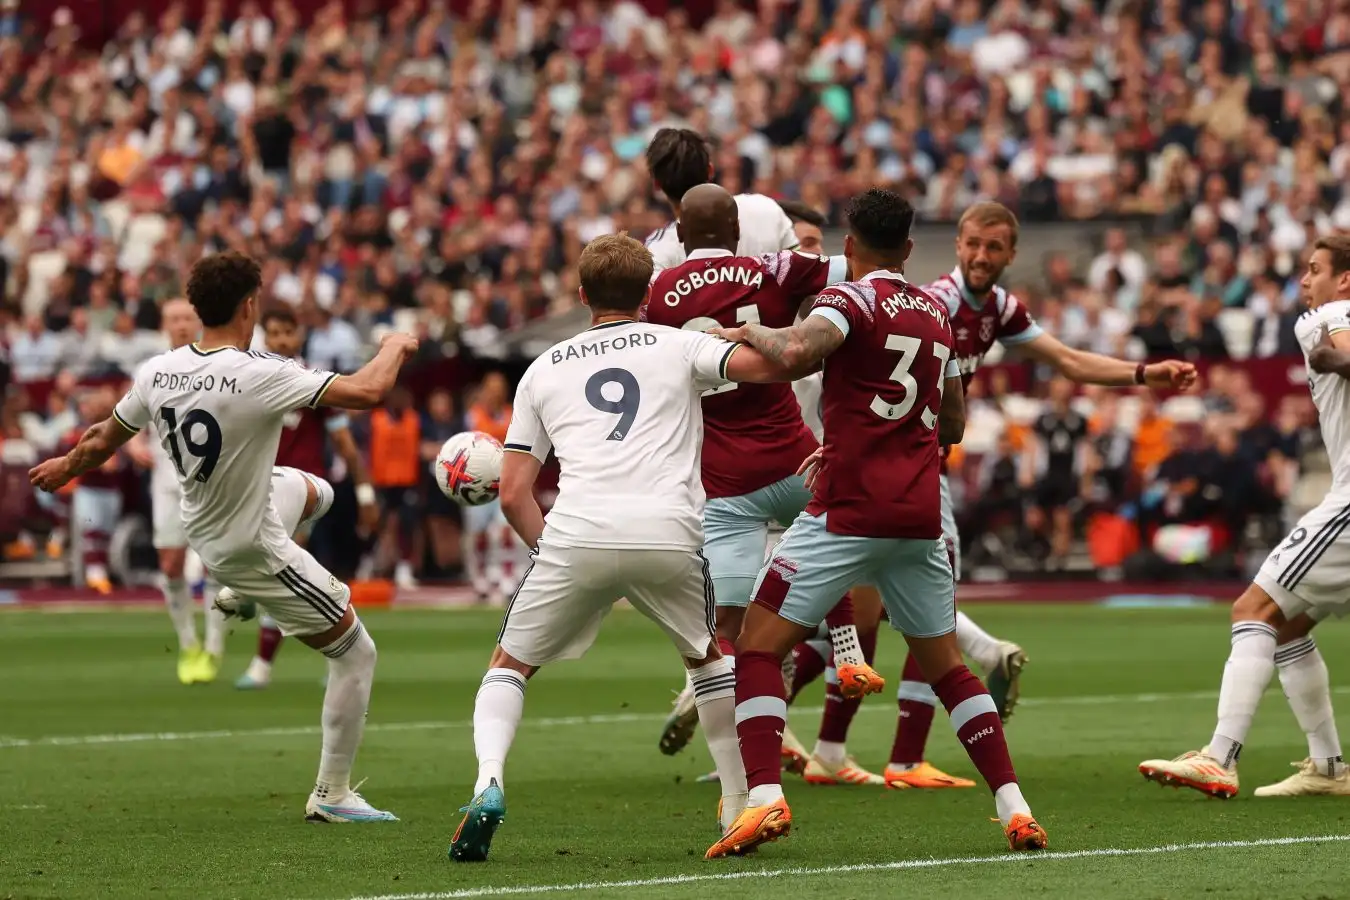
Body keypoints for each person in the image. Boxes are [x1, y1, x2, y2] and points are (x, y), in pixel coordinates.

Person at [801, 201, 1196, 792]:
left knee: (866, 612)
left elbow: (1065, 360)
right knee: (908, 610)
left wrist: (1143, 375)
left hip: (902, 473)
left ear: (1012, 254)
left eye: (994, 248)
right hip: (905, 478)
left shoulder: (998, 309)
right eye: (973, 245)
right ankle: (896, 756)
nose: (982, 256)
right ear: (957, 245)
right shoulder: (936, 302)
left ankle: (829, 746)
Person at [703, 188, 1046, 858]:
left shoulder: (847, 298)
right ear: (912, 250)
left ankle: (765, 799)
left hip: (848, 509)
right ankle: (1016, 808)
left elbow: (799, 352)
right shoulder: (936, 315)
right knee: (949, 669)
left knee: (756, 649)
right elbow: (951, 423)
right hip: (917, 516)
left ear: (850, 247)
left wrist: (750, 332)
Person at [30, 251, 418, 822]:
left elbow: (101, 437)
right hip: (249, 545)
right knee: (357, 653)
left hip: (208, 525)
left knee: (315, 491)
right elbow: (366, 392)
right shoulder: (260, 372)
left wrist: (65, 466)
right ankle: (332, 794)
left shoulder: (158, 371)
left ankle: (243, 592)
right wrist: (396, 345)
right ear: (249, 307)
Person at [451, 233, 797, 863]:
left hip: (578, 530)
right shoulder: (682, 343)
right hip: (668, 532)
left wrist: (551, 554)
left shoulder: (541, 369)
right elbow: (777, 366)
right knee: (709, 660)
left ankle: (489, 783)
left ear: (582, 295)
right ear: (649, 293)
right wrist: (747, 332)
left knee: (509, 665)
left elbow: (512, 494)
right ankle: (734, 801)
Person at [645, 184, 885, 786]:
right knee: (834, 539)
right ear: (735, 229)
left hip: (725, 483)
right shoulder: (769, 268)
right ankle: (849, 653)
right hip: (792, 458)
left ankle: (738, 766)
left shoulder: (658, 295)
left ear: (678, 231)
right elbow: (859, 266)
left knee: (728, 629)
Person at [1139, 236, 1350, 799]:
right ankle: (1328, 768)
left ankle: (1219, 756)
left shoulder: (1329, 314)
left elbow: (1339, 348)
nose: (1304, 282)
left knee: (1252, 608)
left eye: (1314, 270)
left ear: (1344, 279)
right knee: (1289, 625)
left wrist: (1332, 355)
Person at [235, 305, 381, 691]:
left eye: (288, 332)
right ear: (265, 337)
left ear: (300, 336)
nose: (282, 340)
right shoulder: (251, 379)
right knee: (292, 576)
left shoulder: (313, 384)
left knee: (275, 568)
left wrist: (366, 494)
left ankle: (262, 665)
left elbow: (346, 446)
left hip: (303, 491)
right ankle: (342, 648)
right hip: (257, 489)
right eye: (275, 333)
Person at [124, 299, 228, 685]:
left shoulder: (217, 366)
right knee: (170, 564)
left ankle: (215, 646)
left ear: (199, 321)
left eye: (187, 318)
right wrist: (135, 445)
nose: (182, 325)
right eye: (174, 319)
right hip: (167, 484)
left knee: (216, 563)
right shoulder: (150, 370)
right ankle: (188, 643)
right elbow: (130, 419)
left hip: (211, 481)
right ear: (164, 325)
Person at [644, 128, 798, 273]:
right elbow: (802, 278)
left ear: (656, 184)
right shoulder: (766, 209)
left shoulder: (657, 251)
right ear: (710, 170)